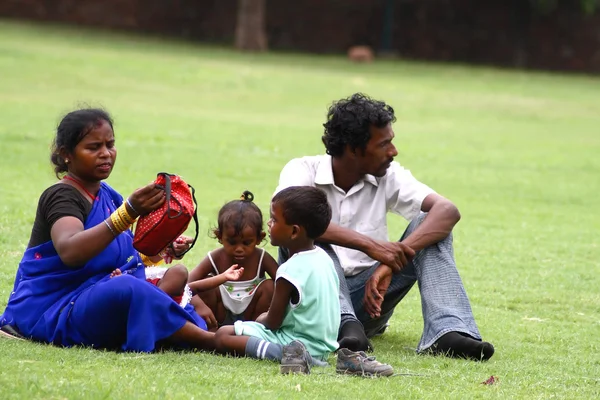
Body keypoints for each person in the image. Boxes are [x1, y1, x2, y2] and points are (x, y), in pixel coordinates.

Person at [274, 93, 495, 361]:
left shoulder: (389, 175)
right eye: (384, 144)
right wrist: (372, 246)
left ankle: (447, 331)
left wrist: (388, 263)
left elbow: (447, 210)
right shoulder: (302, 170)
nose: (393, 151)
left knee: (430, 224)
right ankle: (346, 323)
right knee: (308, 231)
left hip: (371, 299)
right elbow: (290, 222)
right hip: (318, 305)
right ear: (354, 149)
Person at [0, 108, 215, 352]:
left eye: (110, 145)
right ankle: (206, 341)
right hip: (52, 308)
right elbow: (71, 251)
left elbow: (122, 256)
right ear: (66, 154)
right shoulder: (61, 196)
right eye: (93, 148)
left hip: (94, 296)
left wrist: (164, 248)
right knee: (129, 289)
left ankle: (183, 331)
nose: (106, 154)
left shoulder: (109, 196)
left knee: (170, 278)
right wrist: (129, 212)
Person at [213, 186, 340, 373]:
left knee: (224, 335)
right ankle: (304, 356)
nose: (269, 224)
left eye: (274, 219)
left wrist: (258, 319)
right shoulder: (324, 258)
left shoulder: (289, 270)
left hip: (298, 343)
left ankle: (286, 355)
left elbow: (272, 322)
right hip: (325, 345)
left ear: (294, 231)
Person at [188, 191, 278, 330]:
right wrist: (200, 306)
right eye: (232, 242)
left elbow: (283, 283)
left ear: (259, 238)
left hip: (253, 316)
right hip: (219, 314)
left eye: (247, 243)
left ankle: (256, 331)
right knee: (205, 283)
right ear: (219, 236)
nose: (239, 249)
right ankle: (212, 330)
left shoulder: (262, 258)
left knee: (270, 286)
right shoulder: (215, 257)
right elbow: (187, 285)